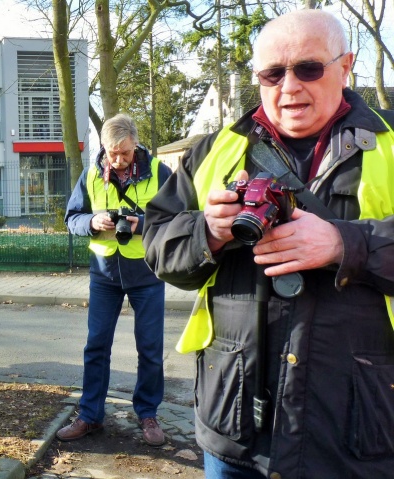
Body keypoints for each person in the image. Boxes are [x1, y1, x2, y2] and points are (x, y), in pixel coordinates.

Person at [143, 9, 394, 479]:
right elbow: (156, 243)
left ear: (346, 66)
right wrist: (209, 232)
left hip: (361, 433)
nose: (290, 86)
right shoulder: (215, 149)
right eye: (273, 73)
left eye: (308, 68)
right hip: (235, 429)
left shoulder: (391, 143)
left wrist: (345, 244)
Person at [58, 113, 172, 446]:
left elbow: (179, 218)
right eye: (112, 152)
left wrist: (142, 223)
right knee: (96, 346)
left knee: (150, 349)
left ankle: (148, 414)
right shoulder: (92, 174)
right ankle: (90, 415)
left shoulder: (159, 173)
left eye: (124, 152)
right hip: (104, 274)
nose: (118, 160)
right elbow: (72, 219)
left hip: (148, 274)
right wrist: (93, 221)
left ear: (136, 143)